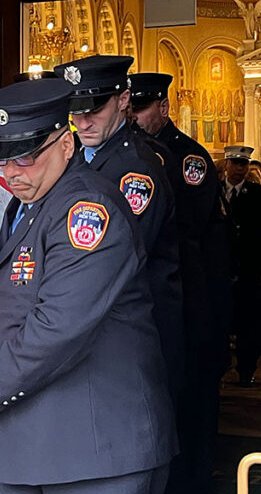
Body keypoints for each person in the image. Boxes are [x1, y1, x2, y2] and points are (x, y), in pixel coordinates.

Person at [0, 78, 176, 494]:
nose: (13, 171)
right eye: (3, 159)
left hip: (94, 448)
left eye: (27, 156)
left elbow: (61, 323)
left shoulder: (87, 210)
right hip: (32, 446)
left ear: (66, 144)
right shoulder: (28, 204)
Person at [130, 72, 232, 494]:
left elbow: (183, 228)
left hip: (191, 298)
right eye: (129, 107)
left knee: (192, 401)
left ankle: (192, 493)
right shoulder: (128, 156)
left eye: (142, 108)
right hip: (153, 303)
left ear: (163, 109)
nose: (134, 116)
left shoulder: (188, 158)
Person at [53, 56, 184, 399]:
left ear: (123, 100)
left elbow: (116, 262)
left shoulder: (138, 171)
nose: (82, 121)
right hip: (92, 328)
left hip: (129, 331)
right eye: (75, 110)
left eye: (93, 108)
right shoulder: (75, 157)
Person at [221, 145, 261, 387]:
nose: (240, 169)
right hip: (220, 268)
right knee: (220, 319)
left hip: (248, 268)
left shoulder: (258, 194)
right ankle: (219, 367)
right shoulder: (215, 191)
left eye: (244, 164)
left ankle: (246, 370)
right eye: (235, 164)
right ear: (227, 165)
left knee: (248, 323)